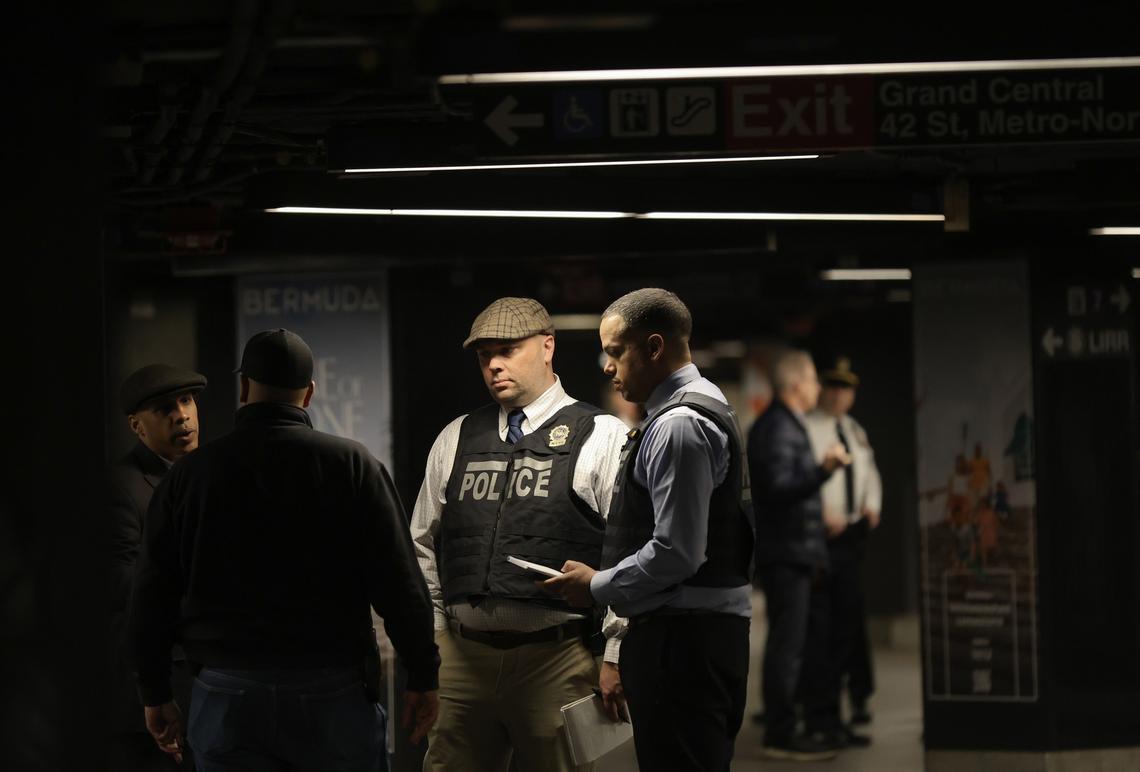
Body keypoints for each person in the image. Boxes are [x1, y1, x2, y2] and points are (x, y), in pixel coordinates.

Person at [127, 328, 440, 772]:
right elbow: (400, 584)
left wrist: (154, 692)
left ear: (243, 388)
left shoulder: (189, 477)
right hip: (332, 691)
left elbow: (152, 592)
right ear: (309, 394)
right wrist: (422, 675)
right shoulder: (354, 465)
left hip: (226, 693)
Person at [411, 298, 628, 772]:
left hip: (556, 658)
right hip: (462, 659)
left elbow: (627, 551)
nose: (493, 364)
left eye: (508, 350)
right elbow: (421, 545)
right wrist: (433, 640)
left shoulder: (600, 434)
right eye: (484, 354)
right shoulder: (457, 436)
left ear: (547, 347)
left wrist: (615, 652)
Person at [543, 288, 755, 772]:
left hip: (682, 644)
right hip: (698, 638)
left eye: (616, 351)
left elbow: (678, 552)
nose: (606, 366)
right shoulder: (705, 403)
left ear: (654, 347)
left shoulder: (678, 425)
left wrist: (596, 585)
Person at [749, 349, 850, 761]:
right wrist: (823, 471)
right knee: (787, 647)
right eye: (812, 380)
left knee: (796, 644)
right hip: (786, 553)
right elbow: (778, 488)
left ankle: (791, 725)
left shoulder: (785, 424)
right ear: (796, 385)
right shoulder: (778, 426)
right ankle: (780, 731)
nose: (817, 388)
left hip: (794, 551)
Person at [108, 363, 206, 771]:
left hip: (210, 678)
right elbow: (127, 589)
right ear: (137, 425)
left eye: (186, 401)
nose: (181, 415)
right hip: (163, 681)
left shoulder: (207, 475)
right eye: (165, 408)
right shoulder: (121, 487)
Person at [805, 358, 882, 733]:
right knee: (828, 623)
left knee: (850, 618)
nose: (838, 395)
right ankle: (825, 703)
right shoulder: (809, 428)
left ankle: (856, 694)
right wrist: (821, 517)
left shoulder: (854, 429)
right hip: (823, 539)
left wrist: (872, 505)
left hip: (851, 536)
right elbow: (804, 479)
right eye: (832, 387)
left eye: (845, 389)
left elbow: (870, 472)